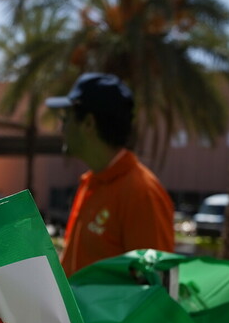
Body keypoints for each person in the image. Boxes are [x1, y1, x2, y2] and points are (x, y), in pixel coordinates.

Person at [44, 72, 175, 277]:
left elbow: (156, 290)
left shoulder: (142, 193)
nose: (62, 127)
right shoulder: (90, 182)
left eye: (66, 118)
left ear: (88, 123)